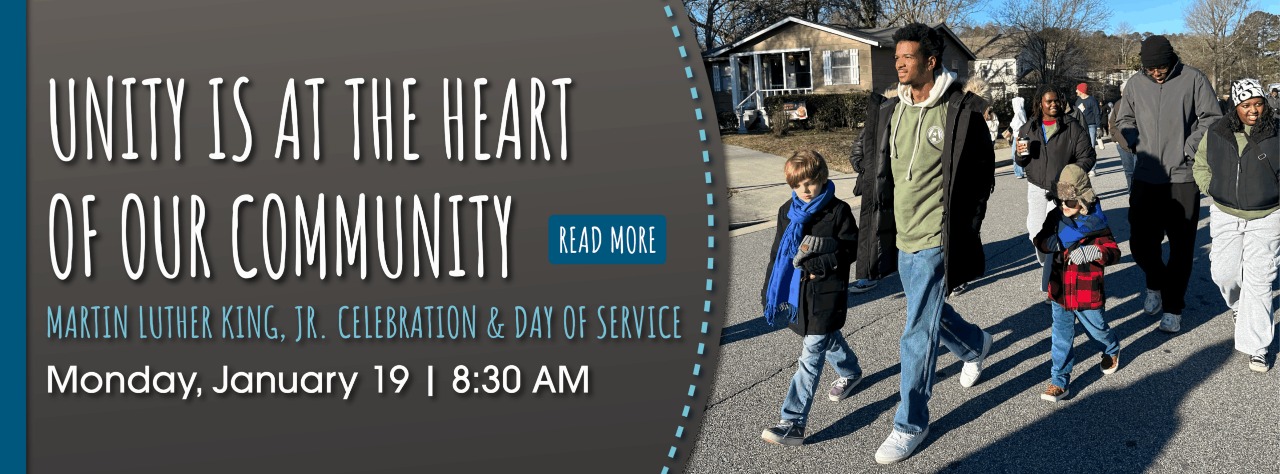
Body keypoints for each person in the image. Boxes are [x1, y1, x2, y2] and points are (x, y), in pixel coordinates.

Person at [855, 23, 995, 464]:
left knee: (916, 332)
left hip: (937, 237)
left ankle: (910, 422)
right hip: (902, 236)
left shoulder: (960, 112)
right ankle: (975, 344)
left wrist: (963, 234)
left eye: (907, 57)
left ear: (930, 62)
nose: (898, 63)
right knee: (928, 312)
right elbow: (876, 164)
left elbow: (979, 180)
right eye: (896, 57)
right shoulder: (891, 109)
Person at [1115, 34, 1222, 333]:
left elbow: (1213, 117)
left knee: (1181, 248)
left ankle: (1174, 306)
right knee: (1140, 244)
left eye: (1161, 67)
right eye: (1151, 68)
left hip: (1182, 177)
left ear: (1171, 59)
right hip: (1147, 175)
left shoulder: (1193, 79)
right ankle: (1155, 284)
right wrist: (1132, 140)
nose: (1156, 73)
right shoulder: (1136, 83)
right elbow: (1123, 118)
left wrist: (1190, 147)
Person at [759, 150, 864, 446]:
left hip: (826, 294)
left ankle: (792, 422)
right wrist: (769, 288)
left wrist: (820, 263)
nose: (805, 190)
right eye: (798, 185)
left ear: (822, 178)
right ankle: (851, 371)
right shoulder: (786, 211)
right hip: (798, 295)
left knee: (810, 356)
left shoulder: (838, 211)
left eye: (810, 182)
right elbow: (778, 253)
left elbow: (851, 249)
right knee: (825, 338)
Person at [1193, 79, 1280, 372]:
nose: (1253, 110)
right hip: (1225, 212)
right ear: (1235, 106)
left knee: (1260, 277)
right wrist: (1213, 188)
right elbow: (1200, 164)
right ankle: (1239, 307)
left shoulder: (1277, 130)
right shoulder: (1218, 132)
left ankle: (1257, 345)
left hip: (1267, 215)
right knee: (1224, 272)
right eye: (1246, 105)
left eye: (1258, 103)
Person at [1032, 164, 1122, 402]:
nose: (1064, 206)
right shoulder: (1055, 218)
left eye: (1069, 202)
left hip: (1086, 291)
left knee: (1098, 330)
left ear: (1082, 201)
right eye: (1060, 201)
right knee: (1060, 337)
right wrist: (1053, 243)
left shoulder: (1097, 224)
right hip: (1060, 290)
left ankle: (1111, 348)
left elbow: (1114, 252)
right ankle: (1059, 381)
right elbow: (1039, 239)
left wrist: (1094, 252)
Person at [1016, 86, 1096, 292]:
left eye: (1056, 101)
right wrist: (1020, 155)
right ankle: (1049, 266)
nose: (1053, 105)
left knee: (1062, 233)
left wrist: (1072, 173)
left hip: (1064, 187)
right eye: (1048, 101)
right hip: (1036, 186)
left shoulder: (1072, 126)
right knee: (1036, 232)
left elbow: (1088, 156)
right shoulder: (1029, 127)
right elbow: (1021, 160)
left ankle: (1056, 282)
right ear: (1039, 103)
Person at [850, 93, 897, 293]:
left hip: (897, 185)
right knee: (871, 229)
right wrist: (868, 168)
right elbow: (856, 153)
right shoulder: (873, 124)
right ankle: (868, 274)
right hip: (875, 185)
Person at [1108, 87, 1136, 190]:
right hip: (1124, 145)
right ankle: (1132, 199)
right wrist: (1118, 139)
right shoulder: (1118, 105)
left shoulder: (1141, 102)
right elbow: (1113, 124)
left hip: (1140, 145)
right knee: (1129, 173)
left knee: (1141, 173)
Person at [1006, 97, 1028, 179]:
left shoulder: (1018, 112)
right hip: (1022, 135)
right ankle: (1021, 171)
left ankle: (1019, 172)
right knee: (1022, 153)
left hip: (1017, 136)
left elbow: (1016, 125)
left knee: (1015, 155)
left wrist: (1011, 125)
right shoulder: (1022, 111)